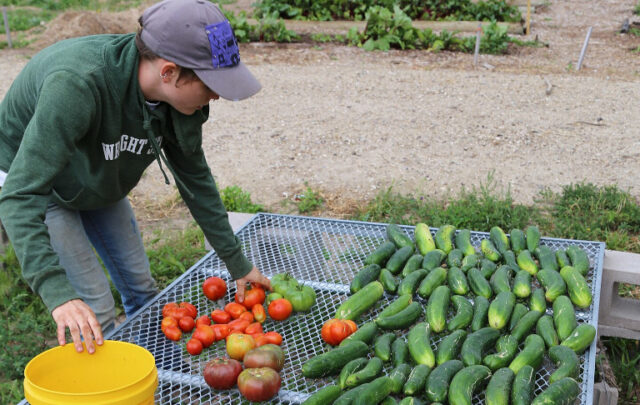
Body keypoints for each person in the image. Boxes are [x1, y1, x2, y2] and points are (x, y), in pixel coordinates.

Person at [0, 0, 271, 355]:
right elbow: (21, 195)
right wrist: (58, 293)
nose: (217, 95)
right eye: (209, 84)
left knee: (142, 289)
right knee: (93, 305)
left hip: (98, 172)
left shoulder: (181, 104)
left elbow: (195, 178)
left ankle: (157, 371)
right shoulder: (77, 85)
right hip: (44, 184)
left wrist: (237, 262)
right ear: (169, 72)